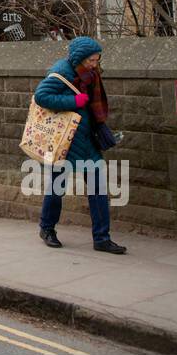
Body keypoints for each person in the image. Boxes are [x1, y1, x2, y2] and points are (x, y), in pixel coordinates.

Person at [34, 35, 126, 254]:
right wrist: (73, 101)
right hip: (64, 141)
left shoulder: (90, 75)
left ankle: (102, 238)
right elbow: (41, 96)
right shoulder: (61, 72)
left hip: (87, 139)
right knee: (57, 188)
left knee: (98, 189)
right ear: (80, 58)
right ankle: (47, 229)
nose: (95, 65)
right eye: (92, 60)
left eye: (97, 60)